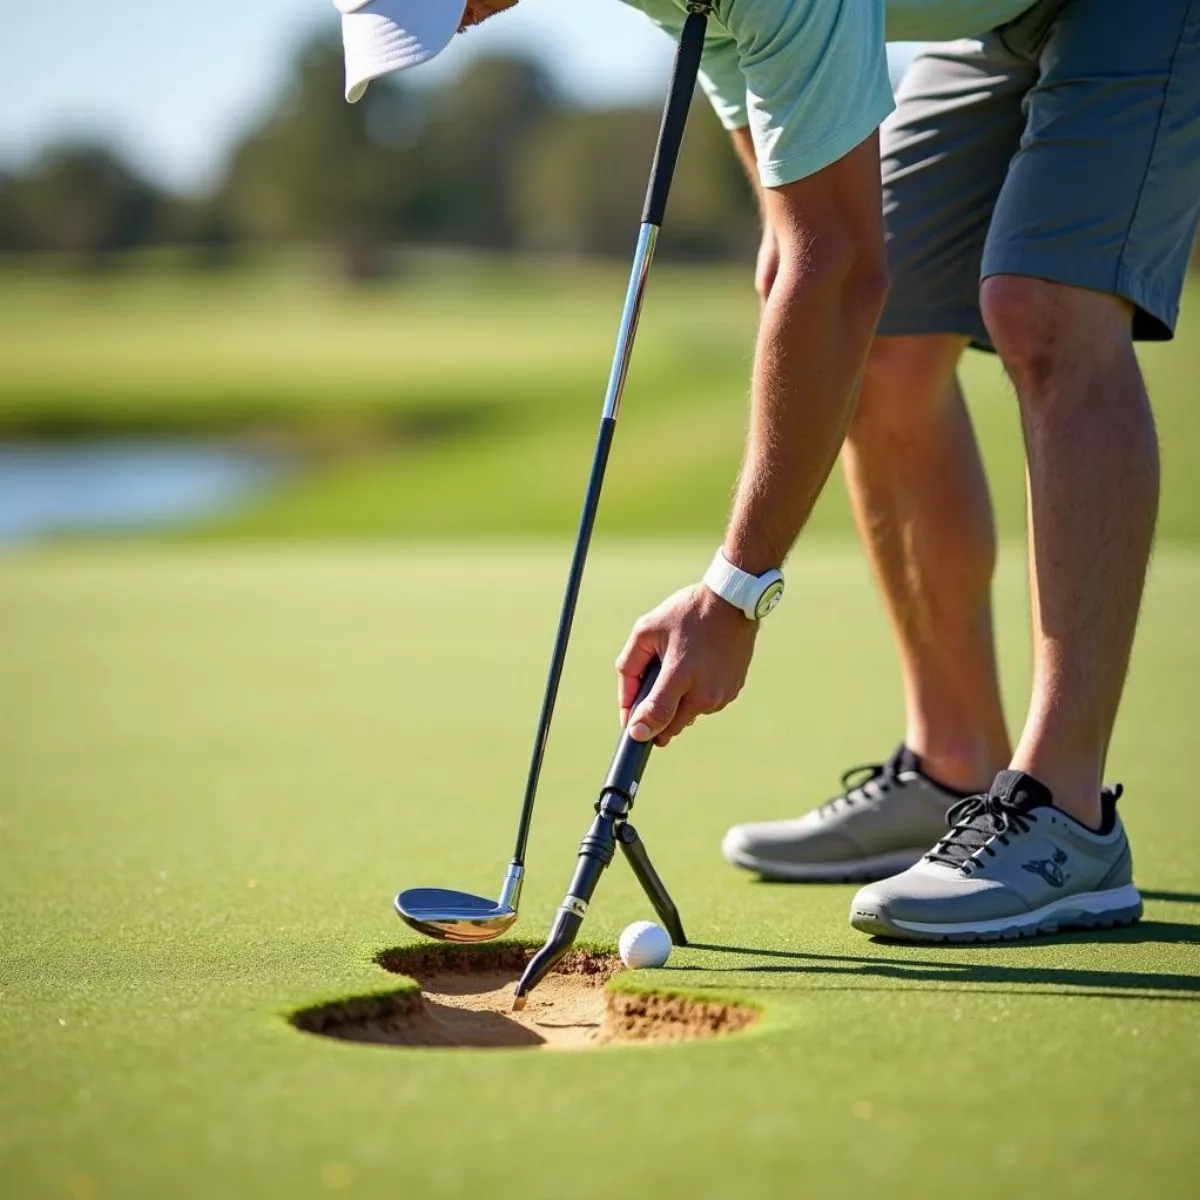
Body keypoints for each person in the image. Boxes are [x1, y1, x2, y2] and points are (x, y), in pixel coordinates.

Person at [336, 0, 1200, 941]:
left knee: (1042, 305)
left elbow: (838, 273)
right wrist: (799, 262)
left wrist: (735, 591)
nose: (452, 24)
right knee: (879, 344)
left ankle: (1067, 821)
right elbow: (804, 234)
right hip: (990, 21)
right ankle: (953, 761)